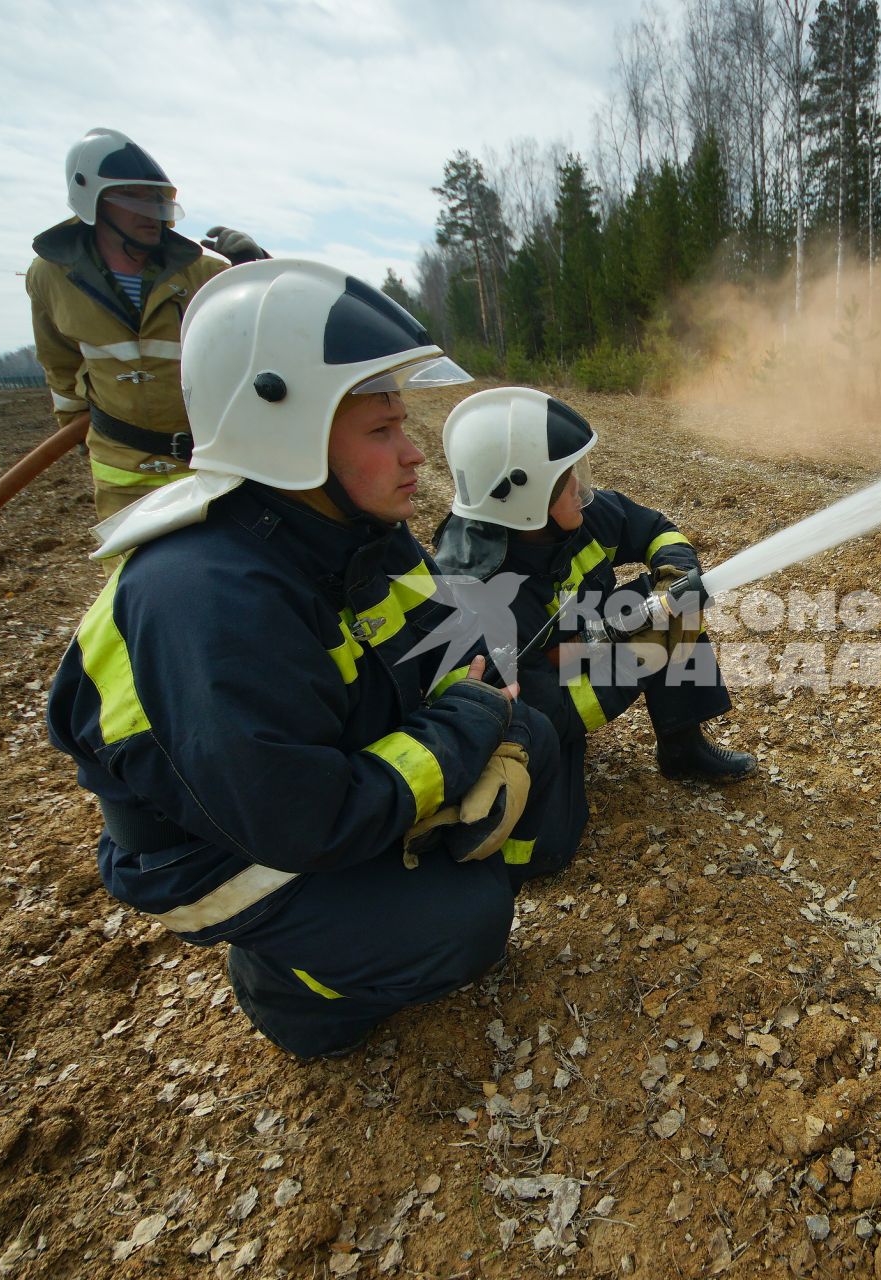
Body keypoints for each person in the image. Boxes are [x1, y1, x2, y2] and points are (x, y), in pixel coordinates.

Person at [45, 260, 583, 1060]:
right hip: (220, 848)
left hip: (325, 774)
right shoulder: (204, 597)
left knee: (533, 737)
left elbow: (459, 643)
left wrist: (494, 725)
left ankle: (402, 887)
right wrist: (460, 736)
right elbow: (303, 818)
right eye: (380, 432)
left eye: (402, 427)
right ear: (284, 433)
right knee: (463, 926)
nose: (413, 457)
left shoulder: (354, 532)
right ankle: (290, 992)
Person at [432, 387, 756, 811]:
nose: (581, 485)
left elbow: (657, 528)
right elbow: (548, 707)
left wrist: (673, 576)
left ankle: (682, 747)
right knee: (552, 829)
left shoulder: (575, 517)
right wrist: (635, 656)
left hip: (578, 646)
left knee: (673, 602)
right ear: (529, 499)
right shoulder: (482, 588)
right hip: (534, 707)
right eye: (566, 476)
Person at [27, 127, 270, 520]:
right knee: (129, 580)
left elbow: (271, 337)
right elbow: (59, 365)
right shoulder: (50, 277)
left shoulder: (204, 272)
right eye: (134, 198)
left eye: (157, 198)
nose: (151, 211)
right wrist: (79, 429)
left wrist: (254, 271)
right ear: (94, 202)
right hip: (120, 473)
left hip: (210, 465)